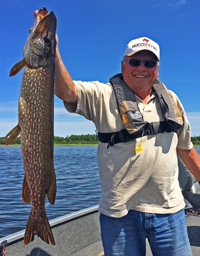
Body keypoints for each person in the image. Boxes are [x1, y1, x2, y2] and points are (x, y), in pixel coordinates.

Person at [34, 11, 200, 255]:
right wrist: (51, 50)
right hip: (119, 213)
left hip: (169, 211)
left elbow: (186, 150)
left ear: (156, 68)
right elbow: (66, 91)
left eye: (149, 63)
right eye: (135, 62)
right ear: (124, 65)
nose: (141, 68)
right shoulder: (103, 95)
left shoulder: (172, 100)